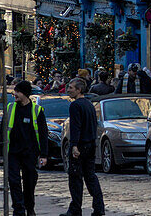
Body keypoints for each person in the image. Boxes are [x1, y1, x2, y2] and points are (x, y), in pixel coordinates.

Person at [2, 80, 48, 216]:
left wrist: (44, 155)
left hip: (29, 152)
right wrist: (1, 150)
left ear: (25, 94)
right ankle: (18, 208)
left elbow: (43, 134)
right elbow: (3, 131)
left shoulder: (37, 110)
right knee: (14, 180)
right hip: (13, 152)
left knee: (29, 181)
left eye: (17, 92)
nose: (14, 94)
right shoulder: (10, 108)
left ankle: (29, 207)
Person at [62, 78, 104, 216]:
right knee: (90, 176)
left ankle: (75, 209)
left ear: (79, 90)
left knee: (75, 178)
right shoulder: (89, 105)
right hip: (90, 144)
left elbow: (76, 127)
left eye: (71, 88)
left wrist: (74, 145)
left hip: (81, 145)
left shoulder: (75, 106)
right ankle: (99, 207)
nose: (68, 90)